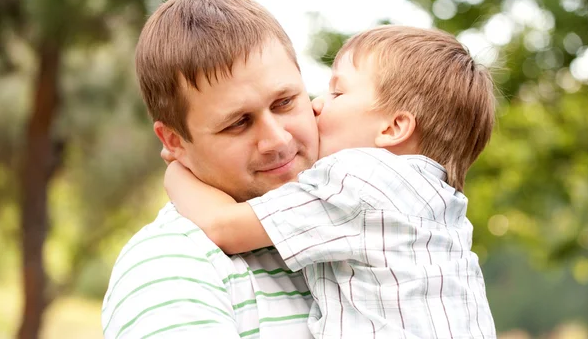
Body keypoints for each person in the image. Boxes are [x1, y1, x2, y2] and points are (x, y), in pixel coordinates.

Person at [164, 25, 498, 338]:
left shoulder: (358, 181)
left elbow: (222, 227)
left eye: (337, 92)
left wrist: (180, 166)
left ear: (393, 128)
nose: (318, 104)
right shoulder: (439, 203)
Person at [102, 0, 321, 338]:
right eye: (238, 123)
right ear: (175, 142)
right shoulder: (169, 267)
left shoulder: (366, 203)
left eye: (285, 102)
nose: (278, 140)